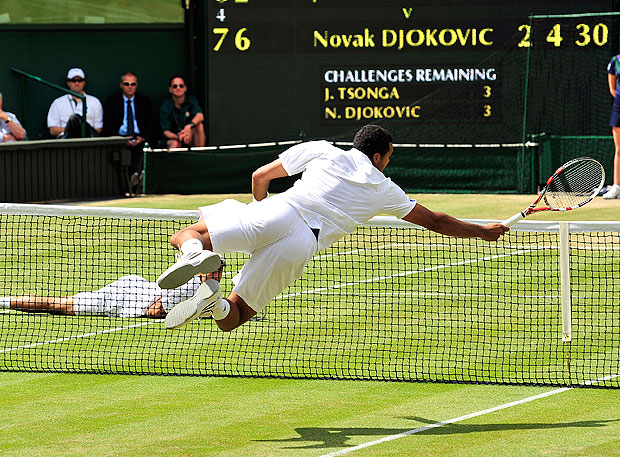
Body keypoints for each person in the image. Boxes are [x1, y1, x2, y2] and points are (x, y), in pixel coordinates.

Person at [157, 124, 509, 332]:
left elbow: (259, 177)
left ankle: (196, 259)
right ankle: (215, 300)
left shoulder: (323, 151)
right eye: (388, 157)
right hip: (301, 246)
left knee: (188, 235)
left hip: (277, 211)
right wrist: (483, 231)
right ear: (377, 157)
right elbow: (436, 222)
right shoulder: (384, 189)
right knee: (231, 319)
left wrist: (259, 216)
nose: (387, 163)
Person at [0, 263, 224, 318]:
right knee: (57, 305)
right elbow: (155, 311)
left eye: (219, 272)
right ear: (204, 272)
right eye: (213, 272)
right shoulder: (192, 286)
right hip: (123, 298)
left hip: (134, 286)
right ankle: (3, 302)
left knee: (62, 302)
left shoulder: (203, 287)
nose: (217, 276)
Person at [102, 72, 158, 190]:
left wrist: (141, 138)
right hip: (120, 139)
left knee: (143, 149)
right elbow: (107, 126)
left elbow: (151, 124)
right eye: (127, 84)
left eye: (133, 84)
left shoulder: (145, 101)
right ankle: (129, 183)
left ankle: (137, 178)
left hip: (139, 138)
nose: (130, 86)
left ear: (136, 85)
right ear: (121, 85)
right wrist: (121, 139)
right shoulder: (111, 102)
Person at [47, 68, 103, 139]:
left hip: (88, 140)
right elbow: (53, 130)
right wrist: (72, 130)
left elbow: (98, 129)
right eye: (73, 80)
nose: (77, 83)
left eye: (79, 80)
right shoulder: (58, 103)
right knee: (73, 119)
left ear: (84, 82)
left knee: (76, 119)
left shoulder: (95, 102)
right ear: (68, 83)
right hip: (66, 141)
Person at [159, 75, 205, 149]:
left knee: (199, 126)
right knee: (175, 143)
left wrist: (188, 127)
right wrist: (179, 136)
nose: (178, 88)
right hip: (173, 137)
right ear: (170, 89)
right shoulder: (166, 105)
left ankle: (200, 156)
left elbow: (200, 116)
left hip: (189, 135)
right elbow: (166, 131)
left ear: (185, 88)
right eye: (175, 86)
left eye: (181, 86)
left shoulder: (191, 100)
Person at [604, 53, 620, 199]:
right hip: (619, 107)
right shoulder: (616, 61)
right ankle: (616, 186)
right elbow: (612, 89)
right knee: (619, 148)